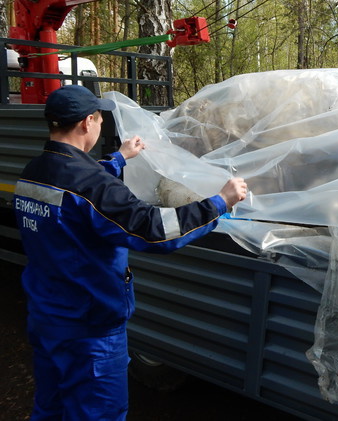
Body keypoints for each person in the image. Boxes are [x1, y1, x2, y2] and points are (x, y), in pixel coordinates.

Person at [13, 85, 247, 420]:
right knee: (97, 413)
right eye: (97, 119)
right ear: (86, 123)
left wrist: (119, 158)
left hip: (48, 318)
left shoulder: (34, 171)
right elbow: (154, 231)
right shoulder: (92, 186)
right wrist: (219, 203)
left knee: (51, 406)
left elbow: (79, 194)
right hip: (89, 330)